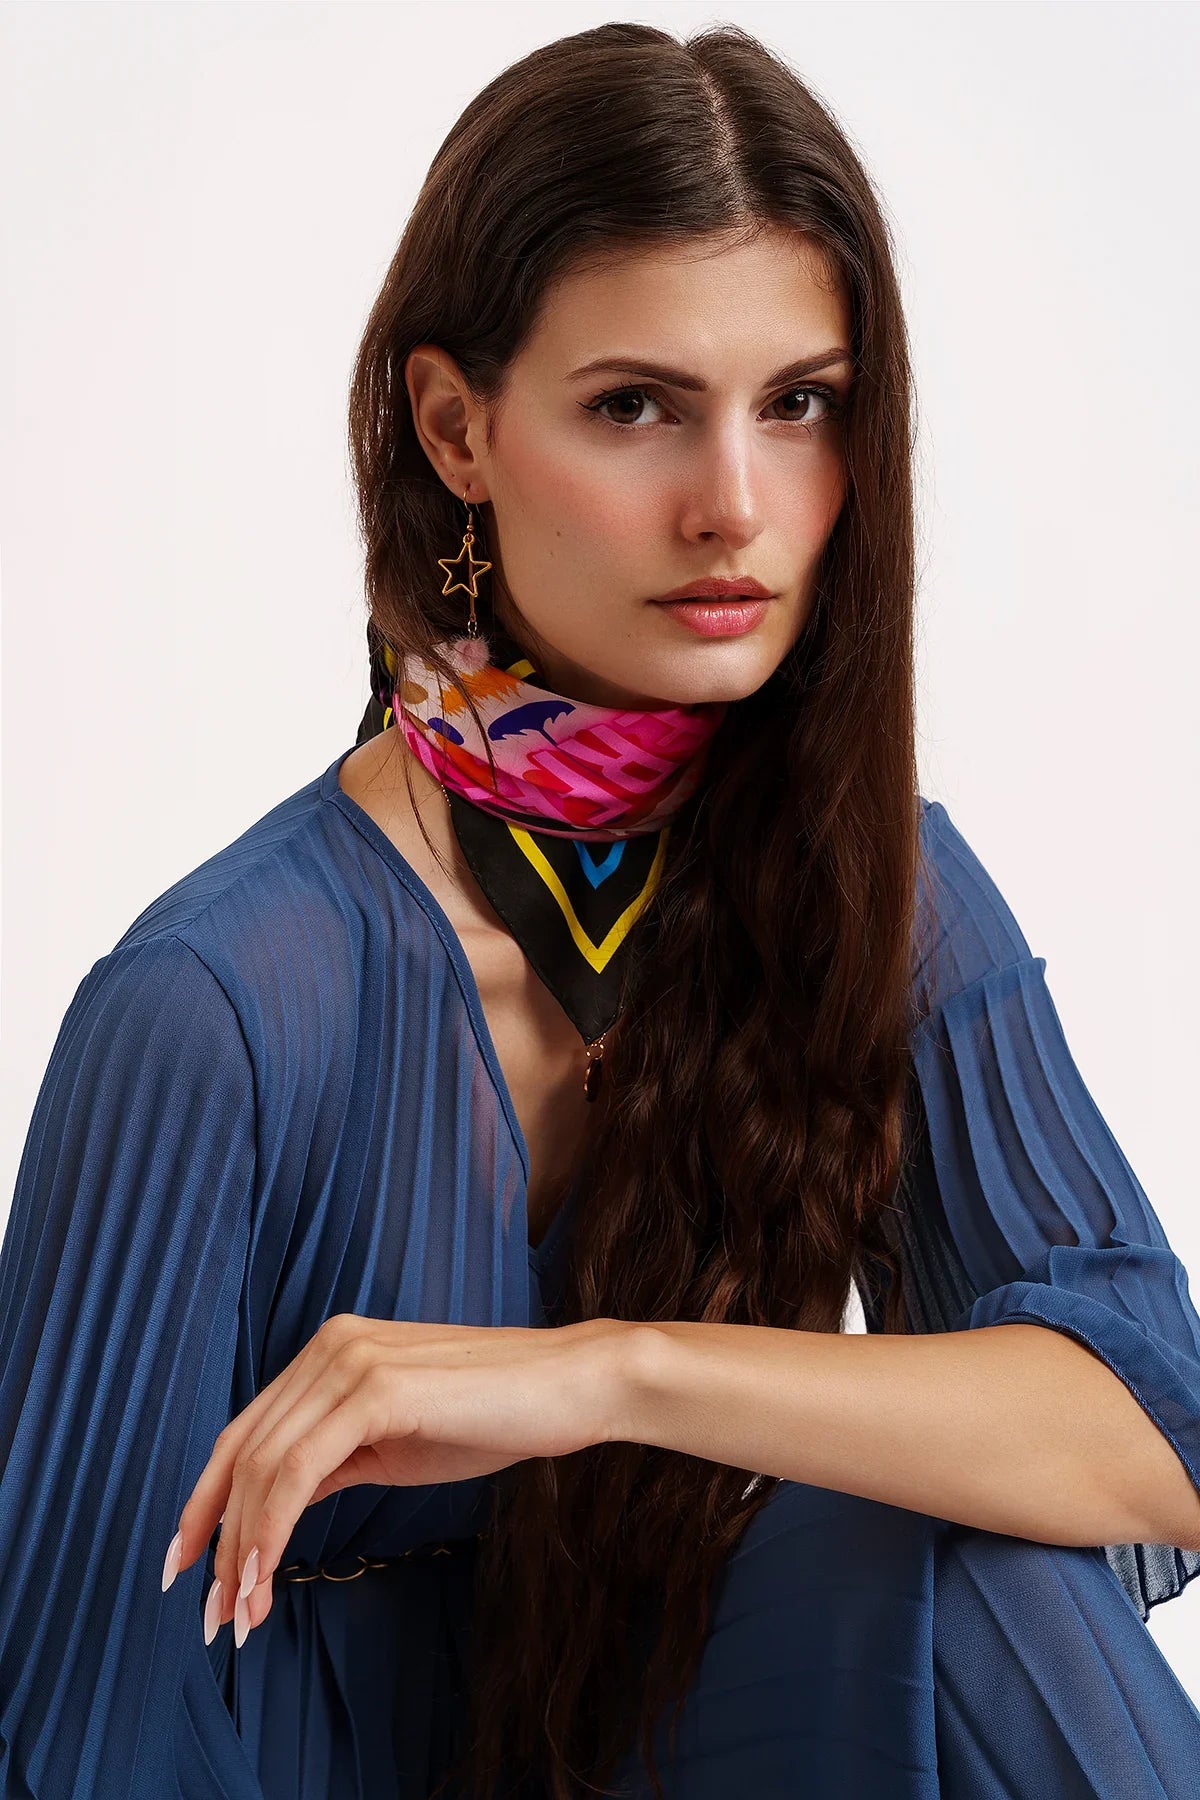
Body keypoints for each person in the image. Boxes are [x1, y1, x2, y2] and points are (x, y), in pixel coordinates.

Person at [2, 18, 1200, 1800]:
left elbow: (1147, 1431)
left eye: (801, 404)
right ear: (456, 427)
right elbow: (76, 1737)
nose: (736, 507)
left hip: (678, 1745)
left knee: (974, 1553)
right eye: (637, 405)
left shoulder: (878, 886)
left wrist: (610, 1374)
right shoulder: (215, 1007)